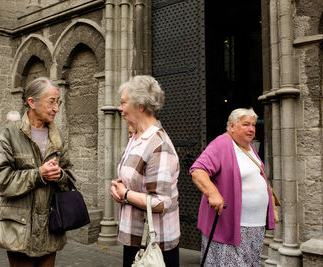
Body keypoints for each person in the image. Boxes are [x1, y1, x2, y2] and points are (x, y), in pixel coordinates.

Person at [0, 77, 74, 267]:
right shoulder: (9, 135)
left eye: (57, 102)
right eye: (51, 101)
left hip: (50, 230)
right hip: (19, 230)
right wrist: (38, 175)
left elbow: (70, 178)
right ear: (32, 102)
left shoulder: (57, 138)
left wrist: (60, 176)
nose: (56, 108)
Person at [189, 108, 275, 266]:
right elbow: (198, 170)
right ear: (232, 126)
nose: (251, 129)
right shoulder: (222, 143)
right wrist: (213, 194)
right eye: (246, 124)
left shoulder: (248, 147)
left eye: (254, 125)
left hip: (254, 227)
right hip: (230, 226)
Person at [110, 75, 180, 267]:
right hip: (137, 237)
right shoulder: (137, 137)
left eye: (124, 103)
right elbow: (137, 179)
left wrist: (125, 194)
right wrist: (120, 188)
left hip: (154, 244)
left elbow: (161, 202)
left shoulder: (159, 145)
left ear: (140, 105)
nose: (120, 109)